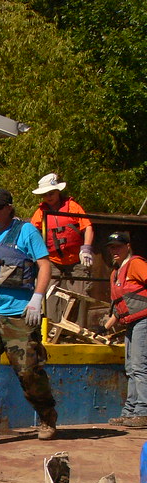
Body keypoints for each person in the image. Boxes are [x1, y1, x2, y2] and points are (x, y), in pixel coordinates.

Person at [0, 189, 57, 447]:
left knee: (28, 372)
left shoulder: (26, 232)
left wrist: (37, 298)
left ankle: (47, 415)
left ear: (9, 208)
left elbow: (45, 265)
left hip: (20, 316)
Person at [28, 173, 95, 321]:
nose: (48, 197)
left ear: (58, 191)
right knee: (48, 294)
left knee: (81, 296)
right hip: (52, 261)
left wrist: (86, 248)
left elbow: (87, 227)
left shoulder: (72, 206)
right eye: (45, 195)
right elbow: (32, 233)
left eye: (51, 193)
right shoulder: (40, 212)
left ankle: (78, 331)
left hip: (76, 260)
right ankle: (51, 328)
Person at [103, 231, 147, 429]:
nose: (114, 251)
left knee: (139, 366)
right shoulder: (116, 272)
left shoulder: (136, 264)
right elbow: (120, 307)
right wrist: (104, 327)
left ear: (128, 246)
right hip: (131, 322)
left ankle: (143, 411)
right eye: (112, 247)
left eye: (118, 246)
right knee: (130, 368)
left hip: (144, 320)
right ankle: (130, 410)